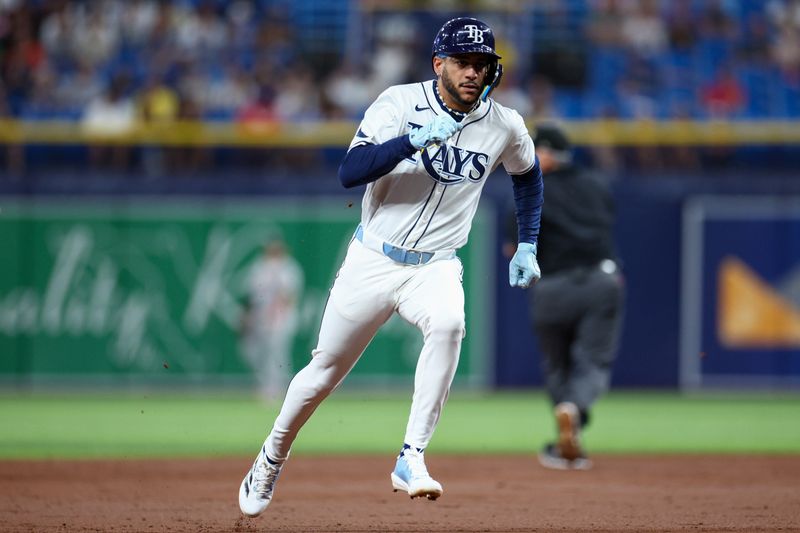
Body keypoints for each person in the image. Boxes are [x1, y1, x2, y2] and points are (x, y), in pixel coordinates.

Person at [238, 16, 543, 517]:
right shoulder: (399, 103)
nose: (473, 73)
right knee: (323, 373)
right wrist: (412, 140)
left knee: (449, 324)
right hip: (374, 258)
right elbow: (349, 172)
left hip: (436, 266)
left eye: (482, 64)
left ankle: (412, 457)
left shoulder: (505, 124)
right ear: (438, 63)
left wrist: (528, 243)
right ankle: (271, 456)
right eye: (463, 63)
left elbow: (528, 179)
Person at [505, 123, 624, 471]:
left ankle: (566, 426)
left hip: (552, 286)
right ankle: (574, 414)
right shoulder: (596, 184)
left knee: (557, 365)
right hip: (602, 281)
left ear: (544, 154)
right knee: (592, 360)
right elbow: (606, 227)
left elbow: (513, 248)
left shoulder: (530, 191)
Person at [239, 237, 304, 401]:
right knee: (252, 352)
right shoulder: (259, 267)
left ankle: (277, 389)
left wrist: (274, 315)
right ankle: (267, 386)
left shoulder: (289, 269)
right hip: (259, 316)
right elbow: (251, 295)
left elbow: (289, 296)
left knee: (277, 354)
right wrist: (248, 315)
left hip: (281, 318)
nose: (273, 252)